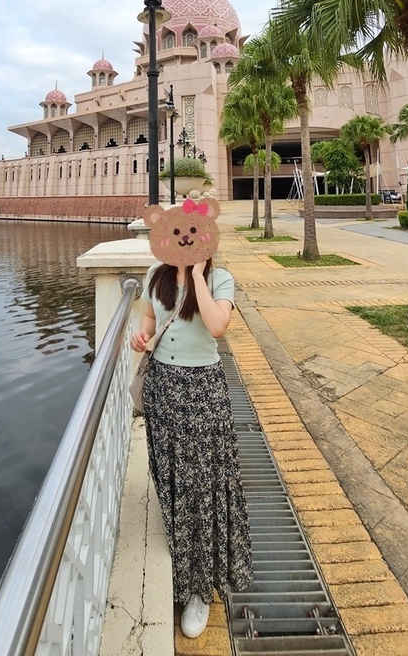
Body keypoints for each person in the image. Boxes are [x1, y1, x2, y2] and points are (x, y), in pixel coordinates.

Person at [130, 247, 253, 639]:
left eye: (194, 234)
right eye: (177, 232)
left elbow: (217, 327)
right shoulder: (155, 273)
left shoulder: (220, 279)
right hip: (164, 388)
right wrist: (142, 335)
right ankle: (183, 557)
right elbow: (149, 318)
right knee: (170, 475)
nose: (185, 240)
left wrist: (197, 274)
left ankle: (200, 589)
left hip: (204, 390)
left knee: (204, 483)